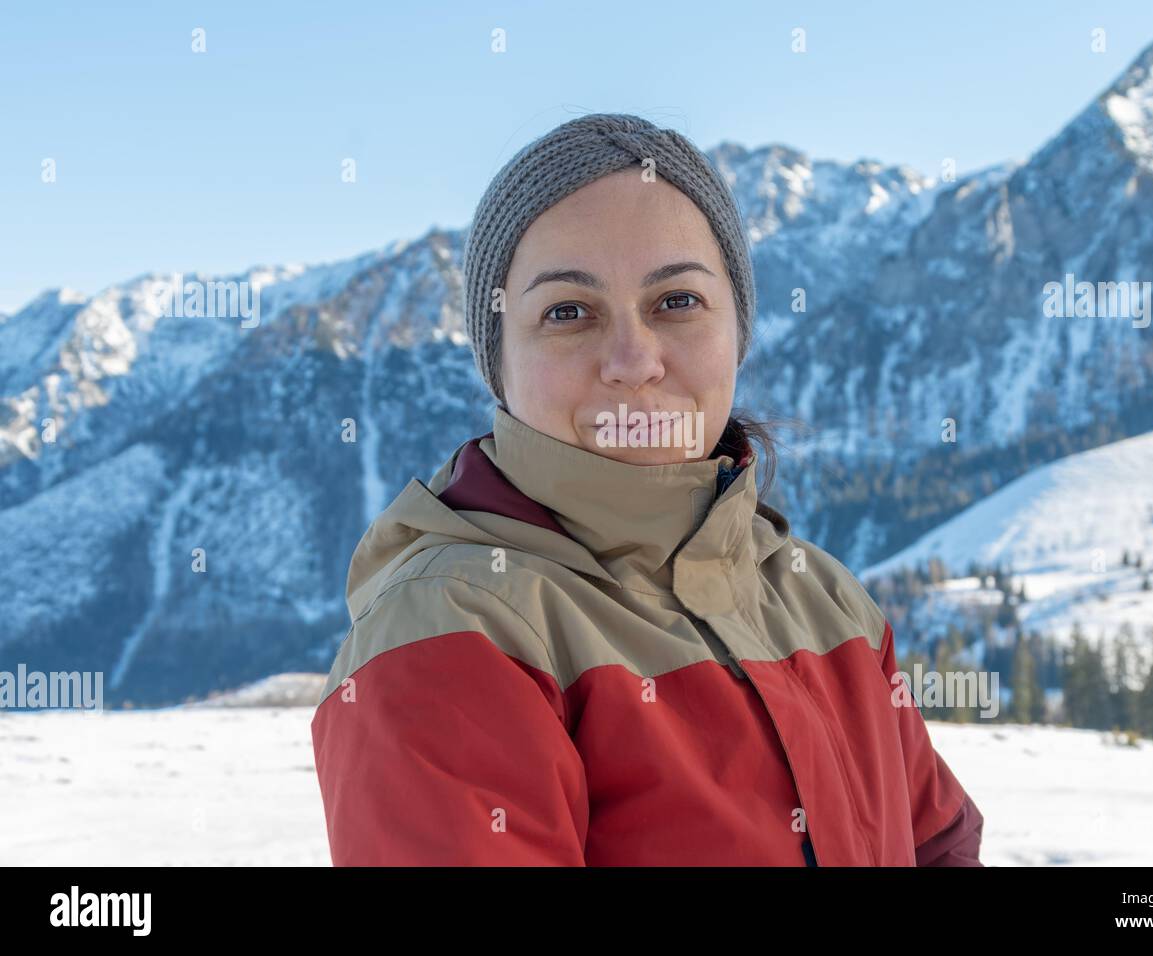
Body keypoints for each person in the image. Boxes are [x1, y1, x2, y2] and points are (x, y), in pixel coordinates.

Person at [311, 112, 984, 866]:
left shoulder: (824, 602)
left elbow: (940, 845)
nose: (634, 360)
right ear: (498, 364)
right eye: (569, 312)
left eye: (676, 302)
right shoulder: (450, 634)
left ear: (738, 329)